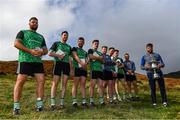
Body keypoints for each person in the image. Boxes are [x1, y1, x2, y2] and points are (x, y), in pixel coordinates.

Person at [13, 17, 48, 115]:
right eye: (33, 22)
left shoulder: (41, 36)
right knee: (20, 81)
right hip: (25, 60)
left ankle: (39, 106)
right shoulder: (22, 32)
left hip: (37, 62)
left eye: (36, 22)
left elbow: (46, 50)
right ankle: (16, 107)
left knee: (41, 81)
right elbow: (16, 43)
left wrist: (42, 52)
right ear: (29, 23)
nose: (35, 23)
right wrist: (30, 51)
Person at [48, 31, 72, 110]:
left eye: (67, 36)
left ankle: (61, 103)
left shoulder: (69, 47)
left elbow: (70, 58)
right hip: (58, 64)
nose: (65, 37)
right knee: (55, 83)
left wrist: (71, 68)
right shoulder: (56, 43)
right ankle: (52, 104)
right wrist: (59, 55)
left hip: (66, 65)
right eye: (64, 35)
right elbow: (49, 53)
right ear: (61, 36)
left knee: (64, 84)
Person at [71, 37, 88, 109]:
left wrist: (85, 64)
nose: (80, 42)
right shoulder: (74, 48)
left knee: (83, 84)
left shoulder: (85, 52)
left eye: (82, 42)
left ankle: (84, 102)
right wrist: (81, 63)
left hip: (83, 69)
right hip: (77, 68)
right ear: (77, 42)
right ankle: (74, 102)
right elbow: (75, 56)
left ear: (83, 43)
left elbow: (87, 60)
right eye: (79, 41)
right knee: (75, 84)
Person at [88, 40, 105, 107]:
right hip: (93, 69)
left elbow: (103, 61)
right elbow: (90, 57)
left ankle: (101, 101)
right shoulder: (90, 50)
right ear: (92, 44)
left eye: (97, 44)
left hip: (100, 70)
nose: (96, 45)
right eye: (95, 44)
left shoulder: (100, 53)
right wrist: (99, 58)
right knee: (92, 85)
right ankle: (91, 101)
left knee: (101, 86)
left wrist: (98, 58)